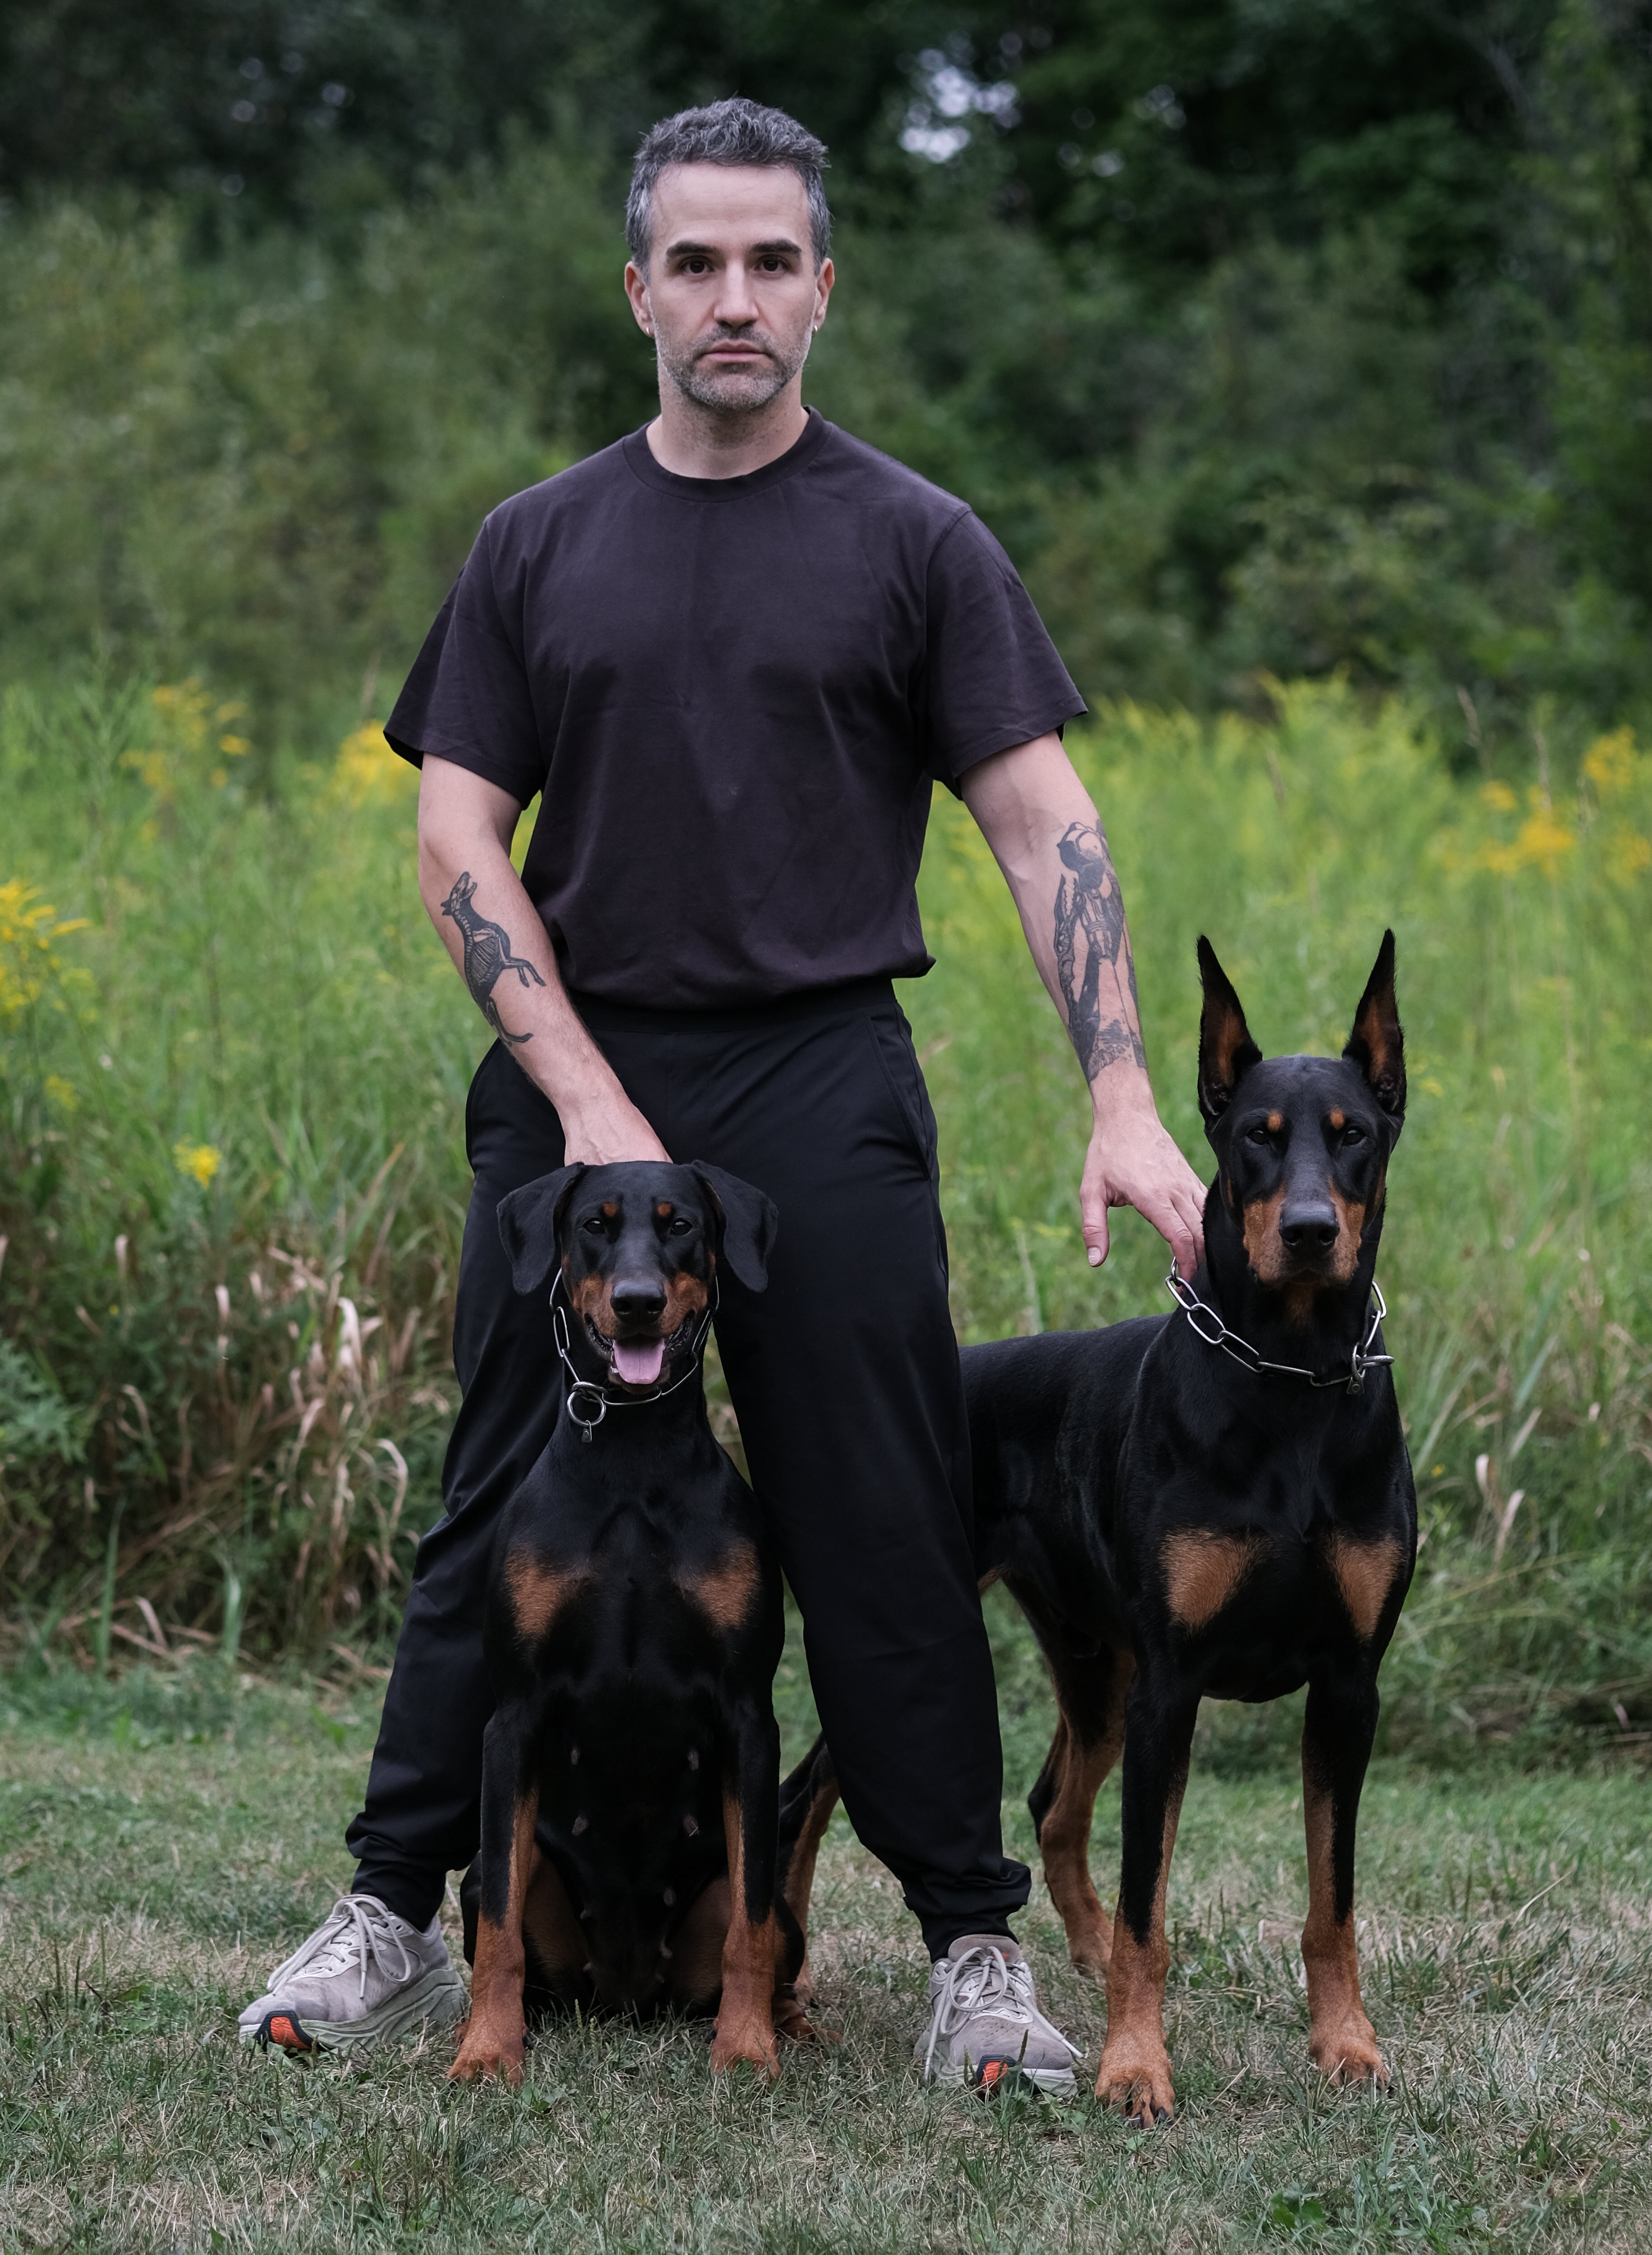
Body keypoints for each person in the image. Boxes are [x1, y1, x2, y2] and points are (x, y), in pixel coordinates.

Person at [240, 96, 1206, 2090]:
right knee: (493, 1498)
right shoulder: (537, 541)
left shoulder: (917, 540)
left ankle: (968, 1951)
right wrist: (589, 1100)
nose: (734, 296)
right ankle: (392, 1910)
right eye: (695, 261)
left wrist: (1122, 1095)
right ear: (637, 290)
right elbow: (454, 839)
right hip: (575, 1067)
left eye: (772, 260)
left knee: (881, 1509)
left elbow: (1045, 826)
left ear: (824, 288)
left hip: (818, 1068)